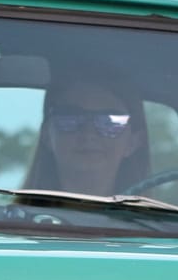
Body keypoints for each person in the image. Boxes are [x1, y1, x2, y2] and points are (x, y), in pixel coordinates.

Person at [21, 75, 151, 195]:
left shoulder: (156, 213)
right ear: (46, 135)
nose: (89, 133)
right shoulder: (14, 213)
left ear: (133, 142)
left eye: (110, 122)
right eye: (70, 118)